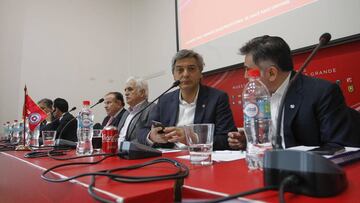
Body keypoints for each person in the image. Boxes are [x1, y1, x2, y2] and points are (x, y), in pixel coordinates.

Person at [228, 35, 360, 149]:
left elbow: (338, 147)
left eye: (248, 70)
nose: (245, 76)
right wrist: (250, 139)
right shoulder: (259, 96)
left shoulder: (322, 93)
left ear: (272, 73)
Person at [137, 49, 237, 150]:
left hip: (201, 157)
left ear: (200, 73)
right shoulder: (165, 100)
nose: (185, 74)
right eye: (180, 70)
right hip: (170, 158)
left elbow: (226, 138)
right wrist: (152, 136)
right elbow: (142, 131)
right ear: (174, 75)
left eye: (191, 69)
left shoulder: (217, 98)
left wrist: (193, 138)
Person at [117, 77, 155, 143]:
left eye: (130, 89)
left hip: (131, 151)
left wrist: (124, 147)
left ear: (142, 92)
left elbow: (146, 137)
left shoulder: (152, 108)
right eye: (125, 90)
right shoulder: (126, 113)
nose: (126, 93)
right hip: (116, 150)